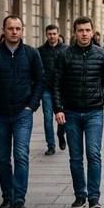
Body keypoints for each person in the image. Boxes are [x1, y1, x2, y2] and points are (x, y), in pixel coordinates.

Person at [0, 16, 44, 208]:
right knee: (4, 158)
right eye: (10, 28)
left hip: (23, 113)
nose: (14, 32)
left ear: (22, 30)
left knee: (21, 155)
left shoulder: (31, 54)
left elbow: (40, 80)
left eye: (18, 28)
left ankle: (19, 199)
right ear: (3, 30)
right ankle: (7, 196)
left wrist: (32, 105)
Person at [53, 17, 104, 208]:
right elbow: (56, 84)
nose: (84, 34)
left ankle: (93, 197)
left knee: (93, 154)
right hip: (71, 112)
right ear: (75, 33)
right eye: (80, 30)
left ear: (92, 32)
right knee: (75, 157)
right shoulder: (64, 55)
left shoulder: (102, 55)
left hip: (94, 112)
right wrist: (58, 109)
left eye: (87, 30)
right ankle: (79, 195)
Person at [38, 24, 68, 155]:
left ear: (58, 34)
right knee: (47, 118)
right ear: (46, 35)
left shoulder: (66, 50)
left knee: (62, 116)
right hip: (47, 89)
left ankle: (61, 134)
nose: (52, 36)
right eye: (49, 34)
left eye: (54, 34)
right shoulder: (39, 51)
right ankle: (51, 145)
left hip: (63, 89)